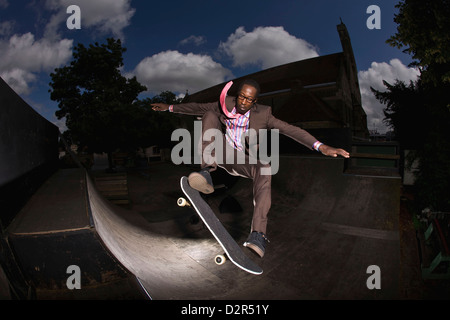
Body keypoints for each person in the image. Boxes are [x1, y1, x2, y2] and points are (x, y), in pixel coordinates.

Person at [151, 79, 349, 258]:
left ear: (255, 102)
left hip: (242, 160)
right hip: (218, 152)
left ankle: (258, 235)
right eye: (241, 97)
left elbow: (291, 130)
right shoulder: (224, 104)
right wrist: (169, 107)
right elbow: (196, 107)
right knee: (209, 113)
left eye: (249, 100)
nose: (243, 102)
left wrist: (321, 146)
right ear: (237, 96)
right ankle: (206, 173)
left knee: (265, 167)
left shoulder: (264, 114)